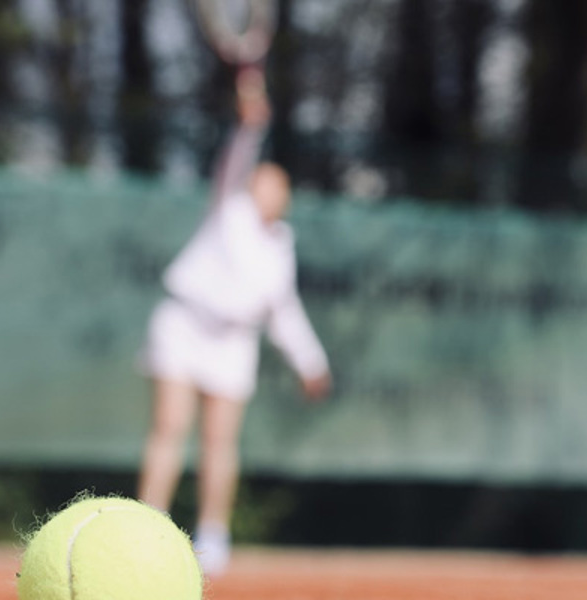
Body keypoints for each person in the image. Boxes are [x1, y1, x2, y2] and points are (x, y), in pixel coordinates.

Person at [137, 70, 332, 577]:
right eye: (259, 180)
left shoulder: (280, 246)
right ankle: (147, 528)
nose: (265, 187)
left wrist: (310, 363)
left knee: (220, 442)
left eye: (276, 184)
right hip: (184, 324)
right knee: (169, 427)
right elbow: (235, 159)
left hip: (233, 343)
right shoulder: (229, 206)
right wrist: (250, 125)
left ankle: (212, 538)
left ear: (285, 197)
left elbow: (283, 311)